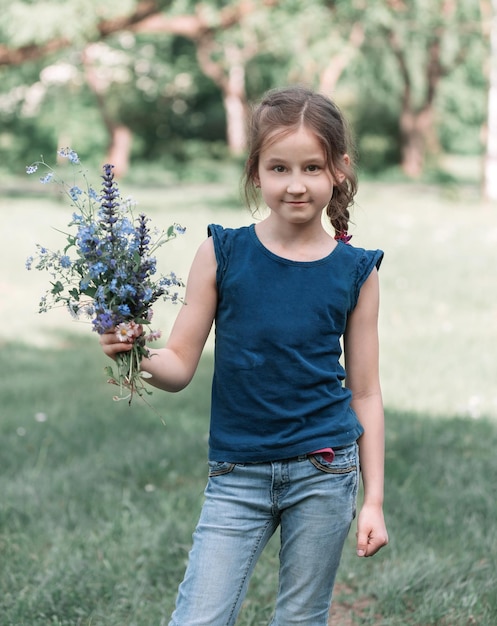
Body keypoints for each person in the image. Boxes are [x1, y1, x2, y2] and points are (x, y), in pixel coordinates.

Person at [100, 85, 389, 625]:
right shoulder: (221, 253)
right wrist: (134, 352)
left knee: (300, 619)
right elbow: (180, 364)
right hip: (237, 475)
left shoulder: (357, 272)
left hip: (323, 471)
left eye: (312, 167)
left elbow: (366, 391)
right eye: (279, 168)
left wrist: (372, 499)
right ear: (256, 171)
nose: (296, 185)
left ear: (339, 170)